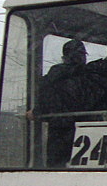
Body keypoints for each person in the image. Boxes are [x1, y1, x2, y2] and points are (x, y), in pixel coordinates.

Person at [36, 39, 89, 167]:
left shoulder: (54, 75)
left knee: (57, 168)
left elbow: (44, 100)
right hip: (85, 128)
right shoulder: (87, 76)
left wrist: (35, 112)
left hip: (57, 130)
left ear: (64, 57)